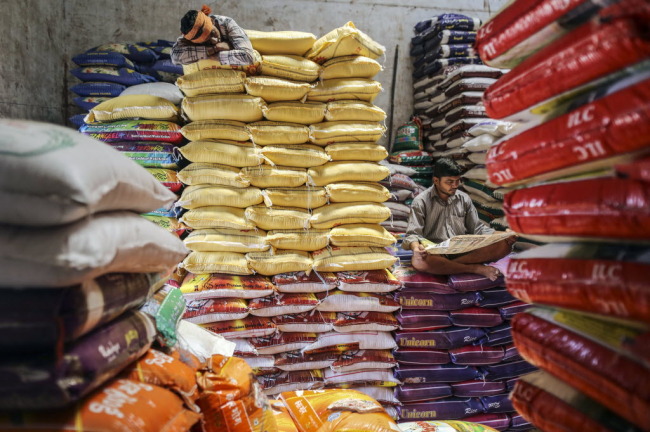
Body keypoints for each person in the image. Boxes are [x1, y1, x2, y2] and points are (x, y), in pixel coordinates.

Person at [402, 158, 515, 281]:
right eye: (449, 182)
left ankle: (447, 266)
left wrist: (503, 235)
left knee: (504, 246)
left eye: (457, 181)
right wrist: (416, 248)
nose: (455, 186)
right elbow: (413, 234)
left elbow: (478, 228)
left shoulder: (464, 198)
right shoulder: (421, 201)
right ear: (436, 181)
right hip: (435, 253)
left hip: (462, 251)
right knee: (420, 262)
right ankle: (475, 268)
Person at [171, 5, 255, 66]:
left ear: (211, 20)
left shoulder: (227, 23)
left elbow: (249, 57)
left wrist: (218, 56)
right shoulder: (189, 36)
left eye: (212, 33)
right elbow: (175, 56)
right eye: (206, 40)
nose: (214, 40)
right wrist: (215, 49)